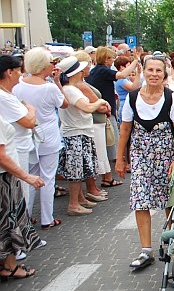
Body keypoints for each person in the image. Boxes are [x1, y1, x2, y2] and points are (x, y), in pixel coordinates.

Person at [115, 56, 174, 269]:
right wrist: (120, 159)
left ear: (165, 74)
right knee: (140, 199)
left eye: (158, 70)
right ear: (143, 72)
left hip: (166, 154)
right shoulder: (133, 97)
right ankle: (146, 250)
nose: (154, 74)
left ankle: (173, 241)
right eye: (150, 70)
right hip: (140, 155)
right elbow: (125, 129)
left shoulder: (172, 97)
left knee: (170, 201)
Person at [14, 48, 68, 229]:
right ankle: (47, 218)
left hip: (28, 136)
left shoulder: (18, 86)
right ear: (44, 65)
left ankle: (26, 217)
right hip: (48, 135)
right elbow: (64, 103)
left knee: (30, 178)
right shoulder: (49, 87)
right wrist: (57, 82)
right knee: (47, 178)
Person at [56, 56, 109, 217]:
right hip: (75, 133)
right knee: (76, 170)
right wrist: (99, 102)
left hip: (80, 131)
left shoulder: (71, 88)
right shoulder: (70, 89)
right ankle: (73, 203)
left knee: (82, 168)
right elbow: (86, 107)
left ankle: (79, 198)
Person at [85, 46, 140, 188]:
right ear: (105, 58)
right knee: (109, 144)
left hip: (103, 112)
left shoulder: (94, 71)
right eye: (110, 58)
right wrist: (135, 61)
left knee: (107, 144)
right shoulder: (102, 70)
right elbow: (122, 75)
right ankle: (107, 177)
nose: (112, 61)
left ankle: (106, 176)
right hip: (105, 113)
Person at [0, 113, 45, 285]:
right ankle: (10, 267)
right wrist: (27, 177)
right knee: (8, 222)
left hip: (6, 176)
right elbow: (2, 155)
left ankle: (8, 265)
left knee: (7, 221)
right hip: (4, 177)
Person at [0, 56, 36, 203]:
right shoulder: (3, 97)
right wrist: (32, 110)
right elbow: (28, 122)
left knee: (21, 192)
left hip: (19, 146)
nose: (21, 74)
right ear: (9, 72)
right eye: (19, 70)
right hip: (15, 149)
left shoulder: (8, 94)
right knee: (20, 194)